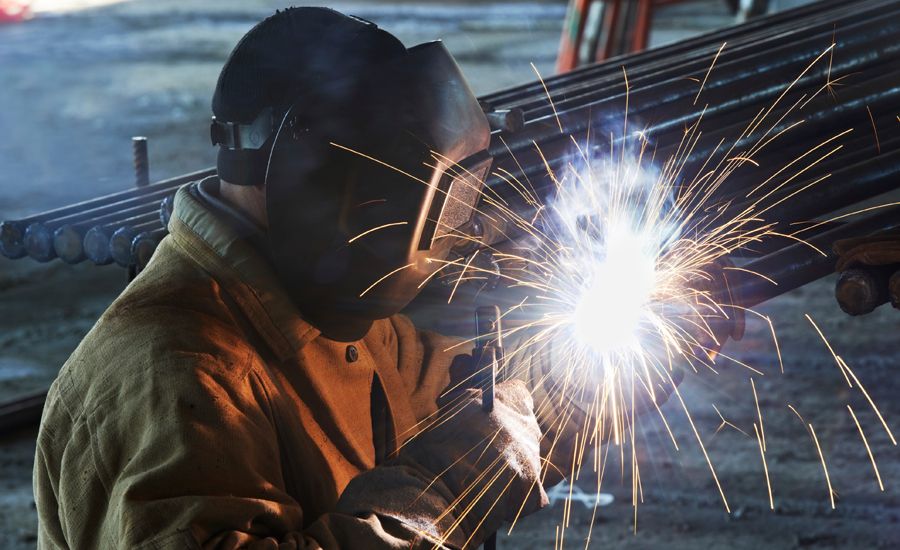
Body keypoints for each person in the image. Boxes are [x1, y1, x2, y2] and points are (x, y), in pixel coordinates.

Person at [33, 8, 740, 549]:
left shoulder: (338, 320)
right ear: (326, 174)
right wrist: (453, 480)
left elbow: (506, 415)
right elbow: (469, 459)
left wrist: (620, 373)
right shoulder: (179, 376)